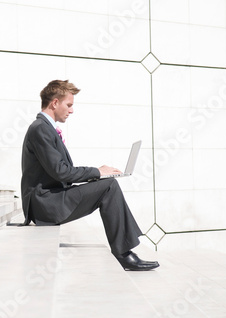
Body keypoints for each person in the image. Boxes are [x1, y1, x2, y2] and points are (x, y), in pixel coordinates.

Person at [20, 79, 159, 271]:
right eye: (68, 105)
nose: (71, 110)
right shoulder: (40, 128)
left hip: (50, 199)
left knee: (107, 185)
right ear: (54, 103)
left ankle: (125, 250)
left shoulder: (44, 128)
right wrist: (97, 172)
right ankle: (124, 254)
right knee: (109, 186)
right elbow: (61, 172)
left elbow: (60, 171)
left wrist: (97, 173)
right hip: (45, 204)